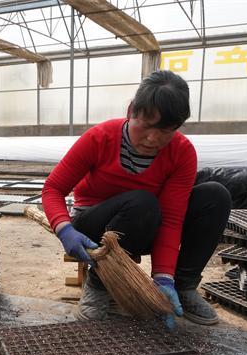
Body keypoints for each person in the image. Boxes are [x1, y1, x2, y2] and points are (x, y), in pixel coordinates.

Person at [42, 70, 231, 329]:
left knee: (214, 195)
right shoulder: (101, 137)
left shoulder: (181, 152)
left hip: (143, 224)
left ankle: (183, 287)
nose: (153, 139)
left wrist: (163, 278)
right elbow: (53, 188)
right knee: (142, 202)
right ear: (132, 110)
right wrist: (64, 229)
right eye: (146, 126)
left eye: (165, 131)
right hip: (93, 226)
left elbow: (172, 219)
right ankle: (100, 284)